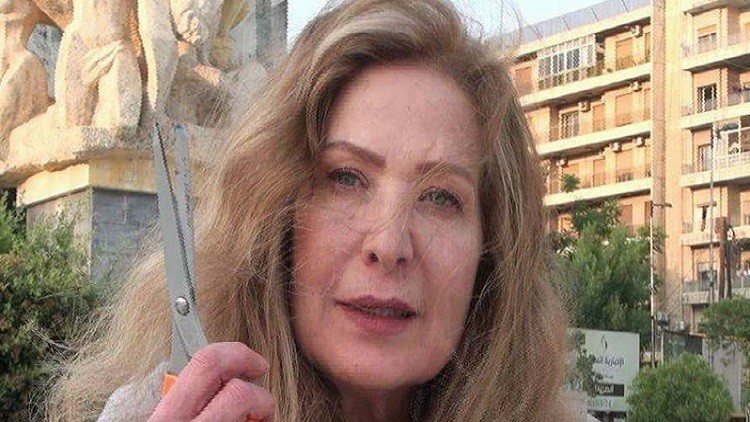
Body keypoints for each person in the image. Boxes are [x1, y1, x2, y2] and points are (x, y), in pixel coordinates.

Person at [47, 0, 568, 420]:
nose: (389, 245)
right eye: (346, 178)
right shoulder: (155, 412)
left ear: (491, 252)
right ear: (275, 212)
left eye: (440, 198)